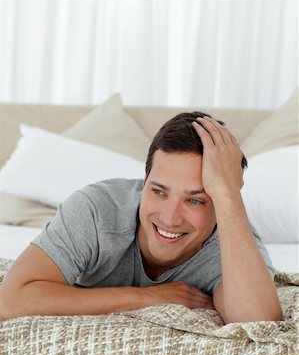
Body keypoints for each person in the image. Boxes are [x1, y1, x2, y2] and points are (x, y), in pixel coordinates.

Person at [0, 112, 282, 324]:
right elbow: (11, 301)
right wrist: (147, 298)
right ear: (144, 180)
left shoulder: (233, 243)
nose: (171, 218)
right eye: (159, 191)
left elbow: (258, 325)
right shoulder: (96, 211)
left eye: (195, 200)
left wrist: (228, 194)